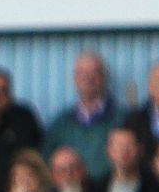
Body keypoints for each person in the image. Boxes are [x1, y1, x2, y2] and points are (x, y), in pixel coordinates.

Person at [45, 50, 125, 178]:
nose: (88, 78)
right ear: (74, 79)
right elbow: (46, 162)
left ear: (104, 77)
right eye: (82, 73)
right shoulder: (60, 123)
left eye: (95, 72)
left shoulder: (122, 118)